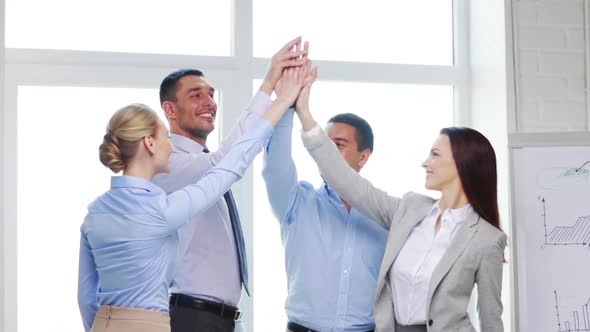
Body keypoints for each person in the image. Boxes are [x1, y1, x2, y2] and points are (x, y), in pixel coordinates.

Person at [77, 65, 308, 332]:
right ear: (150, 144)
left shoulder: (94, 213)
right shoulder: (163, 211)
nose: (170, 144)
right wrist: (280, 100)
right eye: (165, 137)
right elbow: (230, 165)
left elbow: (87, 297)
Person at [294, 81, 507, 332]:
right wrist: (305, 115)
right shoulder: (409, 210)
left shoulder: (487, 239)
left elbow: (491, 318)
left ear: (461, 164)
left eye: (435, 154)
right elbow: (346, 181)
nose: (425, 162)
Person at [151, 37, 309, 332]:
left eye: (211, 94)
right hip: (190, 316)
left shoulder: (202, 160)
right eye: (196, 95)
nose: (209, 102)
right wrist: (271, 85)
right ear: (170, 110)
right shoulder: (168, 163)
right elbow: (228, 159)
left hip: (223, 318)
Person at [262, 65, 387, 332]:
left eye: (338, 145)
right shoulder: (298, 202)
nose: (325, 151)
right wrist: (288, 104)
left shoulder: (385, 216)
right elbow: (275, 166)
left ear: (363, 157)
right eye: (323, 142)